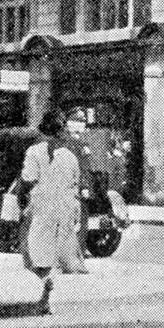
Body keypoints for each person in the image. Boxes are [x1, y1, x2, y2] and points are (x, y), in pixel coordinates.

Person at [6, 110, 82, 315]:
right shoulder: (70, 156)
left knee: (28, 249)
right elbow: (75, 186)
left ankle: (46, 281)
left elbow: (28, 178)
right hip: (64, 208)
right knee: (52, 252)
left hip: (41, 207)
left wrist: (19, 197)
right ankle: (45, 298)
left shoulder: (34, 151)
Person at [63, 107, 93, 273]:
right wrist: (83, 186)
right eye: (78, 120)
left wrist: (86, 186)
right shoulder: (67, 142)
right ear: (68, 123)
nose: (81, 124)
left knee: (81, 225)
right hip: (71, 189)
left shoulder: (81, 141)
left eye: (83, 121)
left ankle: (77, 259)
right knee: (73, 224)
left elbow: (85, 167)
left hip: (79, 189)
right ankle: (70, 262)